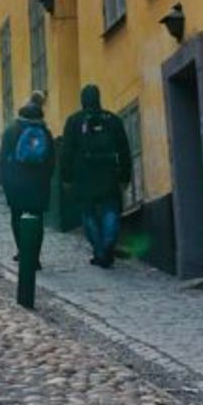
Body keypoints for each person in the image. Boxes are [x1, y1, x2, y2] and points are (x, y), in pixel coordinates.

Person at [59, 83, 133, 268]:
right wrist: (125, 176)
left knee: (88, 213)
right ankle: (108, 243)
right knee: (110, 210)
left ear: (82, 100)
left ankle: (100, 251)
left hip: (83, 175)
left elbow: (66, 152)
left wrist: (66, 177)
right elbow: (124, 150)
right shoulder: (112, 120)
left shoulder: (74, 121)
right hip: (109, 172)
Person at [0, 91, 54, 269]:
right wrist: (46, 179)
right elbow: (51, 160)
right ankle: (35, 257)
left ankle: (23, 252)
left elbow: (2, 159)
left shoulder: (11, 131)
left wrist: (4, 181)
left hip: (16, 184)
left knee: (17, 218)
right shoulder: (45, 132)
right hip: (38, 185)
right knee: (36, 220)